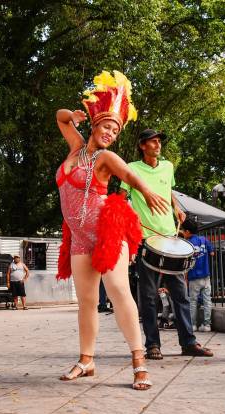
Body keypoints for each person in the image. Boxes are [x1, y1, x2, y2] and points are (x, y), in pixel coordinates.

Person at [55, 70, 170, 390]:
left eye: (116, 130)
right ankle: (87, 360)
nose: (111, 134)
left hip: (107, 233)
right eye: (107, 127)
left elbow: (128, 175)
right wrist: (72, 114)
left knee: (119, 291)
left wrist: (147, 191)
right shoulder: (76, 148)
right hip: (79, 239)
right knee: (87, 301)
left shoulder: (105, 157)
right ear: (94, 126)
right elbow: (61, 118)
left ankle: (139, 361)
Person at [121, 128, 214, 360]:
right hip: (146, 239)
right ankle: (153, 344)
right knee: (150, 296)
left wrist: (177, 206)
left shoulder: (168, 166)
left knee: (180, 295)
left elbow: (168, 190)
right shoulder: (131, 169)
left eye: (159, 141)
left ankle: (188, 343)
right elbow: (122, 198)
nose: (158, 145)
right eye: (152, 141)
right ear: (142, 145)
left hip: (170, 238)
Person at [181, 219, 215, 332]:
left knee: (193, 302)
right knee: (207, 300)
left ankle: (193, 325)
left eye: (183, 231)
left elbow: (185, 261)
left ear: (187, 231)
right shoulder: (204, 240)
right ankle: (207, 325)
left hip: (193, 276)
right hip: (206, 275)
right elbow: (212, 253)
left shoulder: (187, 244)